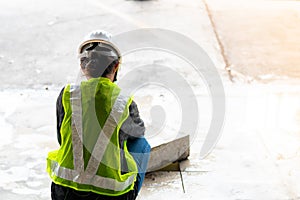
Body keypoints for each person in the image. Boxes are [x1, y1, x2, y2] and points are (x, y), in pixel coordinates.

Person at [47, 30, 151, 200]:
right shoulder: (122, 101)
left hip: (64, 192)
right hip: (111, 195)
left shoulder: (67, 95)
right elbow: (138, 131)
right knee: (142, 144)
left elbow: (62, 138)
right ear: (116, 66)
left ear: (82, 66)